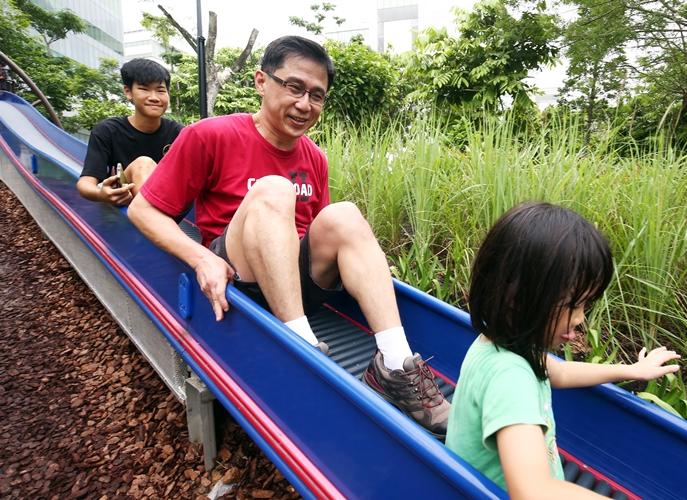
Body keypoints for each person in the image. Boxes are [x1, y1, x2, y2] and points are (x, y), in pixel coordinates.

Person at [128, 36, 449, 438]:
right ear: (262, 81)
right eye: (294, 87)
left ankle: (396, 364)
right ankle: (301, 351)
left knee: (344, 214)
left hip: (295, 285)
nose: (304, 104)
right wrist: (201, 258)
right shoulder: (210, 135)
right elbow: (144, 210)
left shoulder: (314, 156)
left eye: (317, 95)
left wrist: (368, 269)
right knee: (274, 188)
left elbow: (320, 233)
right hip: (239, 275)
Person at [445, 202, 681, 497]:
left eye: (585, 304)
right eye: (572, 305)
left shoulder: (502, 347)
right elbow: (533, 491)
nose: (581, 318)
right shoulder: (509, 377)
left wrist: (631, 370)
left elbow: (562, 371)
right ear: (517, 299)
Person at [76, 58, 182, 206]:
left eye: (160, 90)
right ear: (128, 92)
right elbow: (86, 183)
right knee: (143, 164)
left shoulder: (179, 133)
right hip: (126, 200)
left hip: (168, 200)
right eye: (144, 89)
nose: (154, 97)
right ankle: (153, 217)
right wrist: (101, 194)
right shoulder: (108, 131)